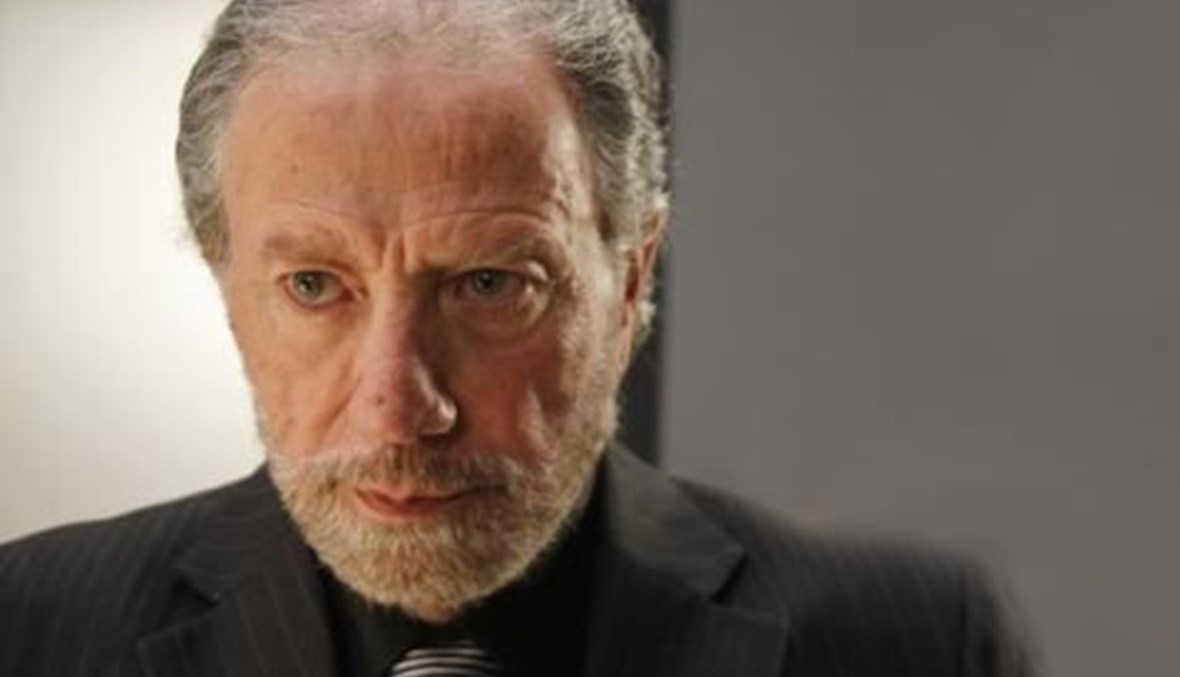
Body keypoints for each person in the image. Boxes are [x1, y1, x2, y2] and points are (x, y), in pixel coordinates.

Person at [0, 1, 1035, 675]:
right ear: (227, 287)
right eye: (314, 285)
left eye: (490, 283)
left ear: (632, 278)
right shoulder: (30, 629)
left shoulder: (915, 643)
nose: (399, 407)